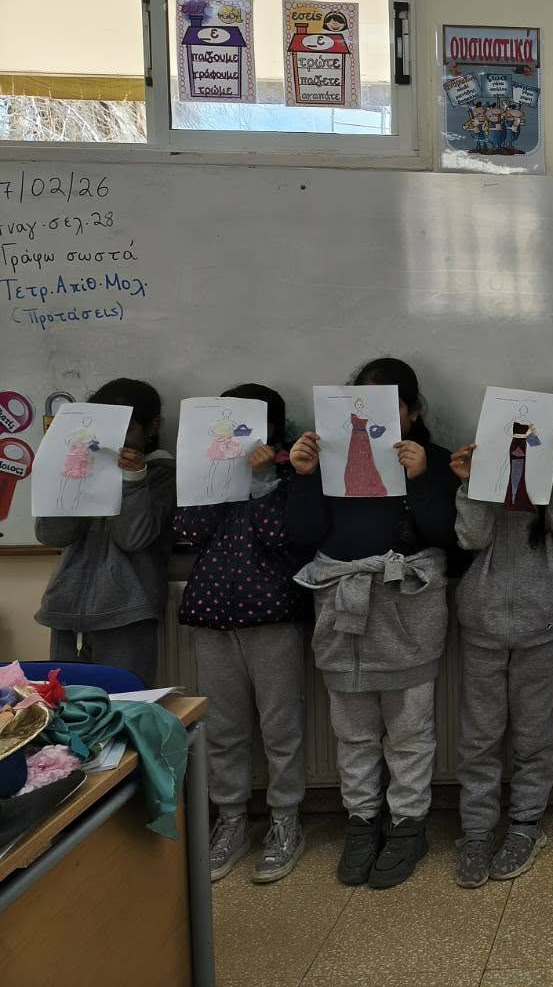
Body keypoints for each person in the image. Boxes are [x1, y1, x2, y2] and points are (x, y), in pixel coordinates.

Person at [287, 357, 458, 889]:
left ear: (413, 411)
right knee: (353, 731)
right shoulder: (326, 458)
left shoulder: (434, 460)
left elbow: (450, 537)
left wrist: (421, 480)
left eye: (391, 404)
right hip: (343, 607)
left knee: (409, 730)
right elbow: (302, 533)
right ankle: (361, 822)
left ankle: (408, 825)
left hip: (407, 610)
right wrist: (303, 478)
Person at [176, 384, 311, 884]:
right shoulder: (205, 469)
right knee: (224, 729)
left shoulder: (291, 473)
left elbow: (283, 536)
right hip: (212, 616)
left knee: (281, 728)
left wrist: (262, 479)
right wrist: (213, 476)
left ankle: (285, 821)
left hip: (272, 615)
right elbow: (188, 530)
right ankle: (230, 820)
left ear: (270, 427)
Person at [448, 427, 553, 888]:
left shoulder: (547, 477)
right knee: (480, 735)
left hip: (538, 624)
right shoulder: (484, 476)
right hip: (482, 625)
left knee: (532, 733)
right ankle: (476, 831)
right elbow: (471, 537)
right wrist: (469, 483)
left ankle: (526, 824)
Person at [35, 378, 175, 686]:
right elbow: (52, 536)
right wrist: (68, 477)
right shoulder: (82, 465)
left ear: (152, 427)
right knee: (68, 707)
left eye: (127, 429)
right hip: (66, 610)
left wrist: (134, 480)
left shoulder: (162, 475)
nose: (114, 439)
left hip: (127, 613)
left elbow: (132, 539)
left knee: (123, 704)